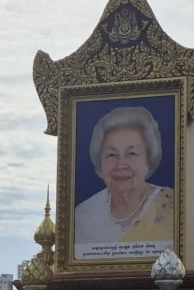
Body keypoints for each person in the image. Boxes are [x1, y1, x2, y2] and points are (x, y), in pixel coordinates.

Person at [74, 105, 175, 257]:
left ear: (148, 162)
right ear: (100, 162)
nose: (121, 165)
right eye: (111, 155)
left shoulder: (172, 208)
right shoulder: (82, 216)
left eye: (132, 154)